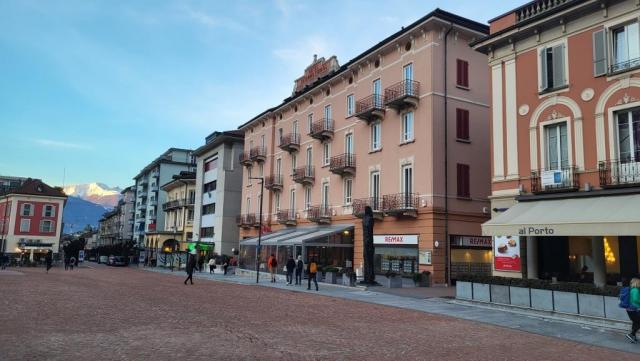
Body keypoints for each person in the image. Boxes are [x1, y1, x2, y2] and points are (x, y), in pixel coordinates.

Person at [624, 278, 640, 343]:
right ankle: (631, 334)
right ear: (637, 283)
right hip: (633, 309)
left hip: (631, 309)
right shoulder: (635, 290)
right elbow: (635, 300)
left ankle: (633, 337)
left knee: (635, 322)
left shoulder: (632, 289)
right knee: (638, 322)